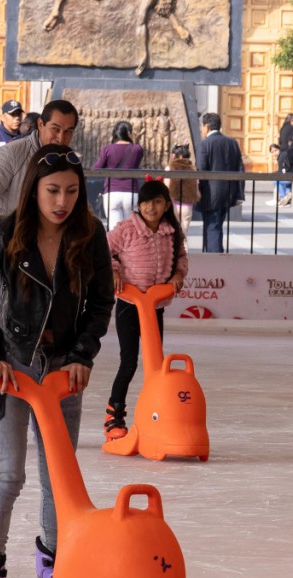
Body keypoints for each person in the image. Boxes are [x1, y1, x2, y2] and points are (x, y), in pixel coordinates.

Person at [0, 144, 115, 578]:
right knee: (8, 476)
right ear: (34, 190)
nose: (61, 200)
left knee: (56, 477)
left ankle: (53, 557)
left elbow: (102, 301)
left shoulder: (90, 236)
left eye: (70, 190)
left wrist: (83, 356)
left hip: (63, 375)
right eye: (52, 190)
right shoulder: (8, 232)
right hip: (11, 372)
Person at [0, 100, 79, 447]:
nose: (61, 136)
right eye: (55, 129)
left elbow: (76, 208)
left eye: (69, 131)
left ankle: (35, 407)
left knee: (44, 335)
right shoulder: (13, 156)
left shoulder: (66, 164)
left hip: (47, 269)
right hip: (7, 267)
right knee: (1, 340)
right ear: (40, 126)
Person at [103, 179, 188, 440]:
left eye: (157, 201)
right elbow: (104, 251)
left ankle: (158, 412)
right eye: (146, 202)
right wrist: (115, 273)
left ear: (165, 206)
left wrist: (177, 276)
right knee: (129, 361)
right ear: (139, 205)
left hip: (155, 307)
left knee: (156, 363)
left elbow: (182, 258)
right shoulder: (127, 229)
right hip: (130, 305)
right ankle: (114, 415)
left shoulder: (171, 232)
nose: (151, 207)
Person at [196, 112, 244, 253]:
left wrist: (196, 191)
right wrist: (239, 194)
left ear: (207, 126)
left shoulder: (205, 144)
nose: (201, 129)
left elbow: (200, 170)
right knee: (217, 225)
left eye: (202, 126)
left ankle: (214, 258)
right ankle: (216, 253)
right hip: (228, 193)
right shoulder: (232, 143)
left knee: (212, 227)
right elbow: (240, 169)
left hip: (211, 194)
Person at [93, 120, 144, 230]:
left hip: (112, 193)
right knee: (131, 231)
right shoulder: (137, 149)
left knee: (115, 232)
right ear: (129, 133)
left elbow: (97, 168)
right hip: (131, 192)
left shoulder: (107, 149)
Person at [164, 143, 200, 235]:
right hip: (187, 206)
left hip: (173, 206)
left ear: (174, 156)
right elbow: (196, 189)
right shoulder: (193, 170)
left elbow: (166, 187)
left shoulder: (169, 168)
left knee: (172, 237)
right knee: (183, 237)